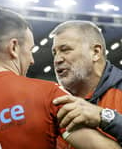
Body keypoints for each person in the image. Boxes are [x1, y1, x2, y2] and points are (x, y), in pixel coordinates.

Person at [0, 8, 71, 149]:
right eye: (30, 50)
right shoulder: (51, 94)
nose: (32, 60)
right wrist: (104, 117)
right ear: (14, 47)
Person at [50, 20, 122, 149]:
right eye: (54, 53)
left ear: (95, 52)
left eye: (65, 50)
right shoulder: (54, 103)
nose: (57, 60)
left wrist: (104, 117)